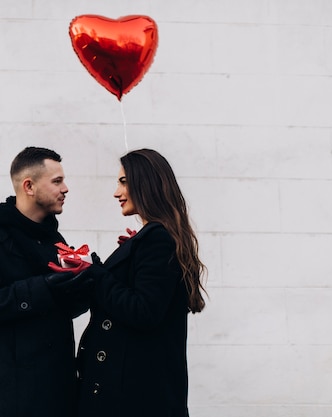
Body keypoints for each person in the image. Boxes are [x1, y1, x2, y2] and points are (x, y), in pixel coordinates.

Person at [0, 146, 93, 417]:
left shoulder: (54, 240)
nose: (66, 188)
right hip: (11, 396)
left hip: (58, 392)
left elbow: (61, 308)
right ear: (29, 186)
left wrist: (86, 284)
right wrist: (44, 286)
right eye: (57, 181)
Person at [76, 148, 207, 417]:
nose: (116, 192)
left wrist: (96, 272)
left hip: (134, 399)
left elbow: (144, 311)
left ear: (144, 183)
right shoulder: (157, 237)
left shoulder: (157, 239)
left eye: (123, 182)